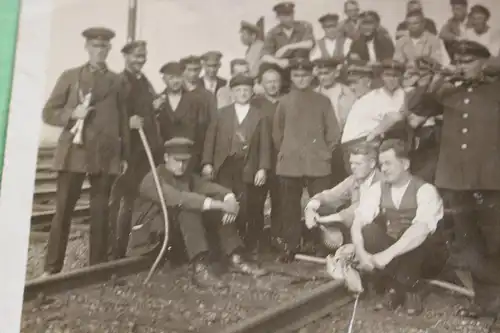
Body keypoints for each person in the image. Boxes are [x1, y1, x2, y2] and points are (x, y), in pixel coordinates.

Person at [41, 27, 130, 275]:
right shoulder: (70, 77)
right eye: (95, 46)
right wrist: (71, 115)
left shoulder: (117, 81)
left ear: (109, 49)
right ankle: (51, 268)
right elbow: (48, 112)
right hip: (74, 153)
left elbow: (122, 119)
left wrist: (124, 155)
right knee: (63, 213)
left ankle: (96, 267)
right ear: (87, 48)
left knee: (100, 213)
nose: (99, 51)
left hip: (105, 155)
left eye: (104, 47)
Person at [429, 40, 500, 319]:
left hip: (491, 182)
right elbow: (419, 103)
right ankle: (485, 302)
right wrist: (439, 77)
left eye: (469, 61)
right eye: (459, 61)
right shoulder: (450, 93)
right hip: (458, 182)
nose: (461, 67)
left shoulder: (495, 89)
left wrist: (488, 68)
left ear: (485, 62)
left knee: (496, 244)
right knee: (471, 246)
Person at [140, 137, 266, 289]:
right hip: (155, 239)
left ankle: (235, 257)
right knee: (189, 210)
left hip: (179, 236)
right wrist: (220, 205)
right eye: (177, 160)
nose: (182, 165)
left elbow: (208, 186)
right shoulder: (152, 178)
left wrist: (229, 197)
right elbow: (179, 198)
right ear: (166, 158)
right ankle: (200, 268)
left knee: (214, 207)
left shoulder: (186, 176)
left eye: (185, 161)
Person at [351, 139, 444, 316]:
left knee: (409, 232)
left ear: (405, 164)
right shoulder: (378, 188)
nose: (383, 169)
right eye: (381, 164)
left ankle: (403, 289)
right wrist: (361, 252)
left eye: (388, 163)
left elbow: (420, 230)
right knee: (368, 230)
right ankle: (403, 287)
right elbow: (358, 221)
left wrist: (386, 255)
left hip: (427, 256)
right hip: (398, 256)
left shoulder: (425, 190)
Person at [272, 57, 341, 262]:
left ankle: (322, 245)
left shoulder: (323, 101)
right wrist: (288, 151)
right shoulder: (284, 102)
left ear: (312, 76)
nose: (301, 80)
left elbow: (334, 133)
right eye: (296, 76)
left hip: (317, 163)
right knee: (289, 206)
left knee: (321, 205)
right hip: (290, 163)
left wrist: (324, 153)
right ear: (291, 78)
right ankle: (291, 247)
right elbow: (277, 134)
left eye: (305, 75)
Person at [202, 75, 271, 253]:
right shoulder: (221, 113)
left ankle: (246, 245)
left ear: (252, 93)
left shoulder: (260, 115)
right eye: (238, 90)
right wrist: (208, 163)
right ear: (232, 93)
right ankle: (225, 245)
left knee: (247, 205)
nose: (242, 94)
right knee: (225, 200)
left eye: (246, 90)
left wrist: (263, 168)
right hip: (225, 165)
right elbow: (210, 139)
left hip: (248, 166)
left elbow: (264, 144)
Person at [112, 40, 164, 259]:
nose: (140, 60)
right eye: (136, 56)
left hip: (147, 151)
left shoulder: (144, 82)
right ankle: (116, 252)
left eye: (143, 56)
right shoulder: (120, 81)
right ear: (125, 56)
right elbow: (113, 115)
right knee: (124, 202)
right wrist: (127, 123)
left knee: (144, 200)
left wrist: (155, 107)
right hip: (129, 152)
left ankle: (139, 248)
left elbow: (149, 109)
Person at [304, 142, 382, 249]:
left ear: (372, 163)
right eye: (351, 163)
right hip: (357, 226)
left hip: (378, 231)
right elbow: (330, 195)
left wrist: (320, 219)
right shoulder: (354, 179)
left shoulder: (381, 181)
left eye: (358, 164)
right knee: (322, 208)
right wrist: (310, 208)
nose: (353, 167)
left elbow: (355, 211)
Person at [155, 62, 211, 173]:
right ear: (164, 79)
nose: (175, 81)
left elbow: (203, 132)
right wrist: (154, 111)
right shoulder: (157, 102)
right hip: (165, 158)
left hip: (190, 158)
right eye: (171, 78)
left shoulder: (196, 101)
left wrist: (204, 160)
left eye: (178, 77)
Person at [252, 63, 283, 251]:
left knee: (280, 199)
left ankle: (277, 237)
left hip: (281, 159)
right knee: (256, 200)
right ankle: (256, 239)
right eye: (268, 82)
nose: (272, 85)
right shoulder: (255, 103)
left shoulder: (286, 101)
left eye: (275, 82)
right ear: (262, 84)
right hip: (260, 160)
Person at [341, 60, 406, 150]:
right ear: (382, 76)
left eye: (395, 76)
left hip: (375, 142)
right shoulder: (372, 97)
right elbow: (394, 117)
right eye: (387, 75)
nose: (391, 79)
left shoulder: (404, 95)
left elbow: (396, 117)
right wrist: (374, 134)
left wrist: (375, 133)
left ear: (401, 77)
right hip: (359, 143)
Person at [314, 57, 355, 184]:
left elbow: (353, 119)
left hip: (342, 141)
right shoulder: (314, 94)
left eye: (326, 73)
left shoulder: (347, 93)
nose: (323, 77)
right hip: (321, 141)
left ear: (336, 73)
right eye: (320, 73)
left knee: (341, 178)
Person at [261, 2, 315, 69]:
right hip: (282, 66)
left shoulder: (304, 26)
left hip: (301, 66)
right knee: (264, 67)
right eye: (284, 15)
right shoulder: (272, 32)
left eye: (290, 13)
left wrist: (287, 47)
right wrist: (278, 62)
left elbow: (309, 43)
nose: (288, 17)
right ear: (277, 17)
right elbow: (264, 56)